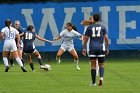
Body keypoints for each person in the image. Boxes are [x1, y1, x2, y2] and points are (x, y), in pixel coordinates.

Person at [82, 13, 109, 86]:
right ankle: (101, 78)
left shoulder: (89, 27)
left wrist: (84, 48)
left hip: (92, 48)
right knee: (101, 65)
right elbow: (106, 39)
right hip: (100, 48)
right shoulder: (103, 27)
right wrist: (107, 48)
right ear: (99, 19)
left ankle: (93, 83)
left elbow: (86, 39)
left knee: (93, 66)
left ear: (93, 18)